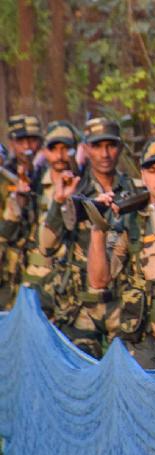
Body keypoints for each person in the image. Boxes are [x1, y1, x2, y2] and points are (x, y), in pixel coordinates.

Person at [87, 136, 155, 369]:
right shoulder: (132, 221)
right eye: (153, 171)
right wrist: (98, 226)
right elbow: (99, 279)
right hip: (145, 341)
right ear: (143, 176)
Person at [39, 117, 141, 357]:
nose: (105, 153)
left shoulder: (135, 192)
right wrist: (60, 202)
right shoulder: (75, 190)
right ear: (86, 148)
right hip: (80, 311)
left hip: (125, 309)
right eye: (97, 146)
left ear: (120, 147)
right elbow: (45, 247)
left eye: (111, 145)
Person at [0, 120, 81, 313]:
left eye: (67, 149)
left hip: (71, 283)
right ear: (46, 151)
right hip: (33, 280)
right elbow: (8, 234)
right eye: (54, 148)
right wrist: (18, 201)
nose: (61, 155)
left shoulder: (84, 186)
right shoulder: (34, 184)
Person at [0, 114, 46, 308]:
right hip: (8, 273)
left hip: (43, 275)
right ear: (11, 143)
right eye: (21, 140)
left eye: (33, 139)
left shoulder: (49, 177)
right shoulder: (4, 179)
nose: (27, 146)